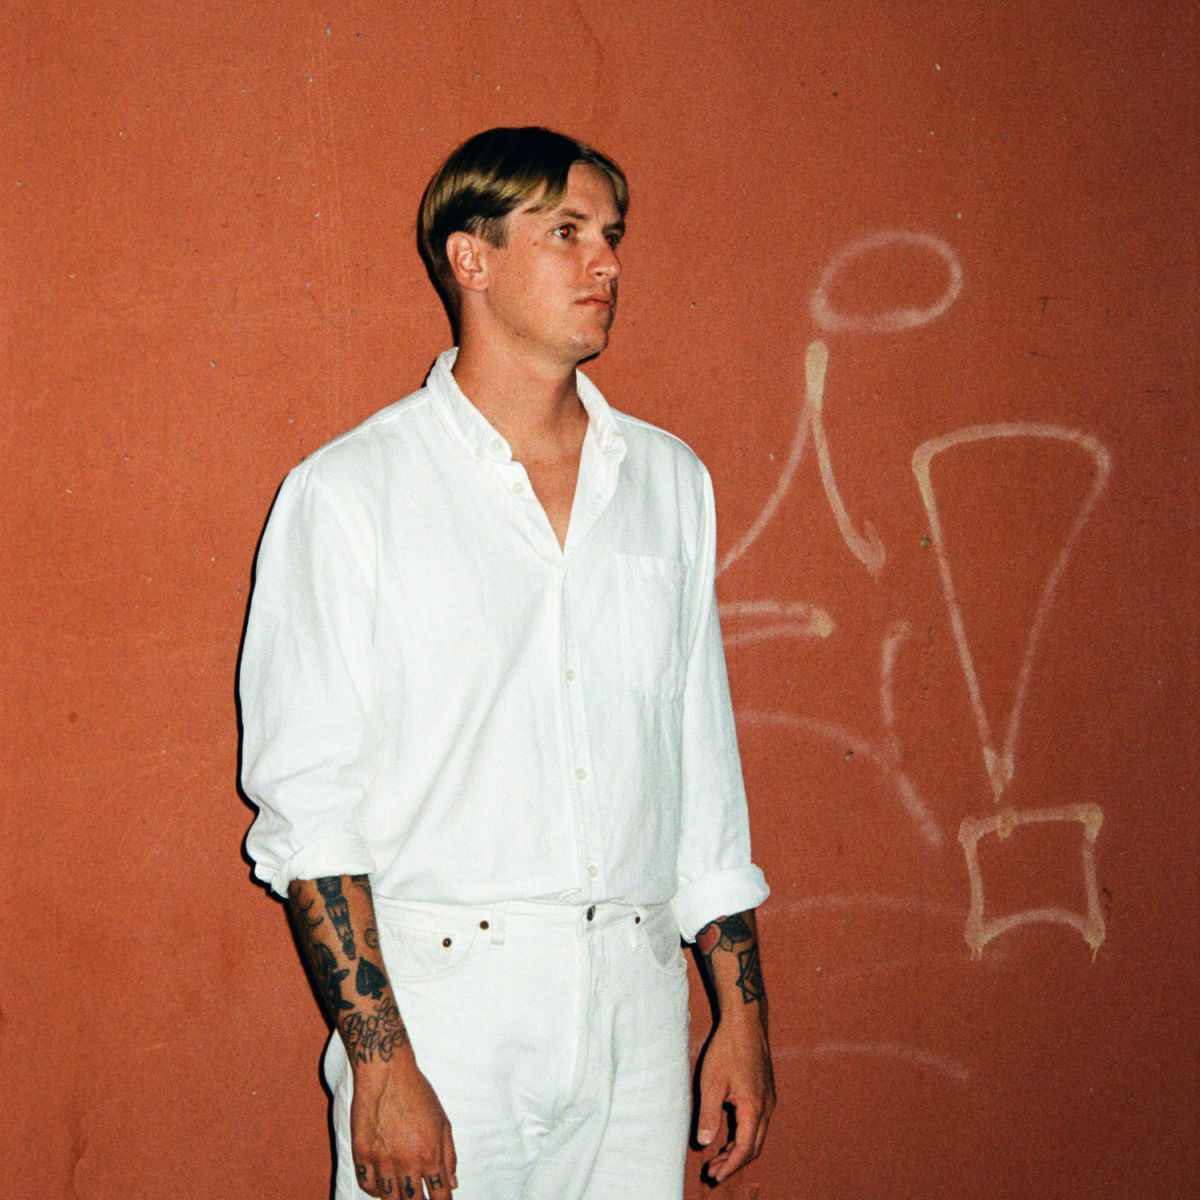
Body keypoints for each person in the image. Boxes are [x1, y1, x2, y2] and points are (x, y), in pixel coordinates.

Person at [239, 126, 774, 1200]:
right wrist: (382, 1064)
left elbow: (700, 767)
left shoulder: (667, 481)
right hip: (448, 1005)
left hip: (636, 1004)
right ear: (470, 257)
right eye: (566, 232)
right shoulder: (352, 493)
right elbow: (312, 803)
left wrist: (741, 1015)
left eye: (612, 234)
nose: (606, 261)